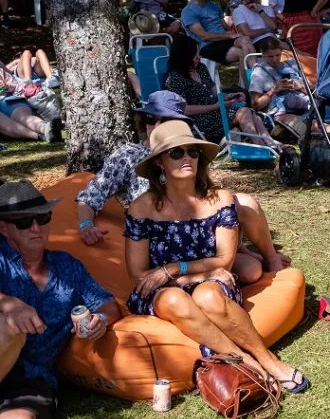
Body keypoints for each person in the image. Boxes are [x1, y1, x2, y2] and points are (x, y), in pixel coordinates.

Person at [125, 121, 309, 392]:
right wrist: (179, 276)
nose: (187, 157)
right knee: (174, 298)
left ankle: (269, 360)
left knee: (207, 296)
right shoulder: (142, 208)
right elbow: (139, 273)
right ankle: (246, 360)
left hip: (193, 277)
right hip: (164, 288)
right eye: (176, 153)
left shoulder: (220, 200)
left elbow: (223, 260)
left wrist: (174, 268)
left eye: (193, 151)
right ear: (159, 163)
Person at [75, 91, 289, 281]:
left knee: (244, 208)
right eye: (151, 118)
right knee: (246, 270)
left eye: (166, 120)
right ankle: (225, 266)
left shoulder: (186, 151)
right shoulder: (128, 156)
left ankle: (265, 258)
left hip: (198, 231)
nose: (156, 125)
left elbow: (204, 197)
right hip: (161, 239)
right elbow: (91, 195)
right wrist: (85, 224)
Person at [0, 181, 121, 419]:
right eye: (25, 221)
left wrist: (101, 321)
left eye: (43, 218)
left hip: (30, 384)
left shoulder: (66, 266)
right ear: (4, 229)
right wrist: (7, 302)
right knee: (12, 327)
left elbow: (108, 304)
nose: (36, 228)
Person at [164, 36, 275, 146]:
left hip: (216, 111)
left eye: (198, 53)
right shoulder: (175, 79)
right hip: (199, 121)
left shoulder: (201, 68)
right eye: (195, 55)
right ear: (184, 56)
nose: (199, 57)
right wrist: (216, 106)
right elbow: (184, 109)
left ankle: (270, 142)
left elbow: (215, 92)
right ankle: (262, 145)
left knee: (250, 112)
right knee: (245, 112)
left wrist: (230, 96)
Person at [181, 0, 255, 64]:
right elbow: (204, 36)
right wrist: (229, 36)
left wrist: (237, 17)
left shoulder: (213, 5)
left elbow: (224, 26)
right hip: (207, 46)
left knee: (245, 40)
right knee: (241, 53)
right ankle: (251, 75)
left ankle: (255, 73)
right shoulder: (189, 11)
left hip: (224, 40)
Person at [248, 38, 311, 128]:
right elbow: (255, 105)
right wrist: (273, 90)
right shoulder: (259, 73)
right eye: (270, 56)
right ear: (263, 55)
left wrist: (300, 86)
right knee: (313, 125)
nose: (275, 59)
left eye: (278, 55)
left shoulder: (292, 64)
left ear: (281, 52)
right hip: (283, 114)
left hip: (306, 105)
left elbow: (312, 90)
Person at [0, 66, 61, 143]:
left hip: (6, 99)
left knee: (22, 115)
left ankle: (45, 128)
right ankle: (40, 136)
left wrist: (7, 86)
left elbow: (17, 86)